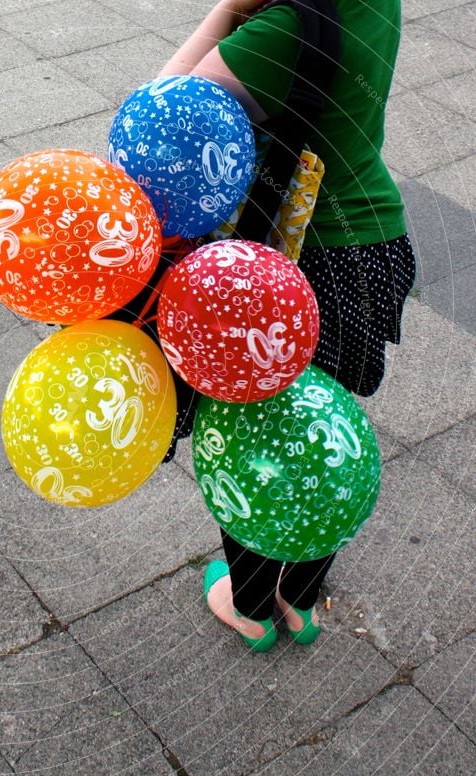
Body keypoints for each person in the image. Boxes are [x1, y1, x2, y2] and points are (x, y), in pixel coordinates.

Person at [159, 0, 416, 650]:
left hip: (293, 270)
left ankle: (249, 603)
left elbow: (156, 127)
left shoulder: (280, 32)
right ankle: (300, 598)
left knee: (252, 434)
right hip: (373, 247)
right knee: (322, 428)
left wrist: (223, 13)